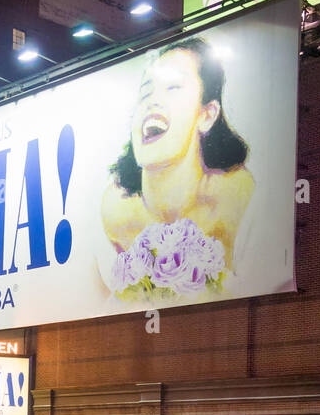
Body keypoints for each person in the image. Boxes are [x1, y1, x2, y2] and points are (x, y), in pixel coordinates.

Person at [101, 36, 254, 294]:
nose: (153, 101)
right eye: (146, 92)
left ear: (207, 115)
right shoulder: (114, 211)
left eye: (173, 88)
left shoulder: (239, 198)